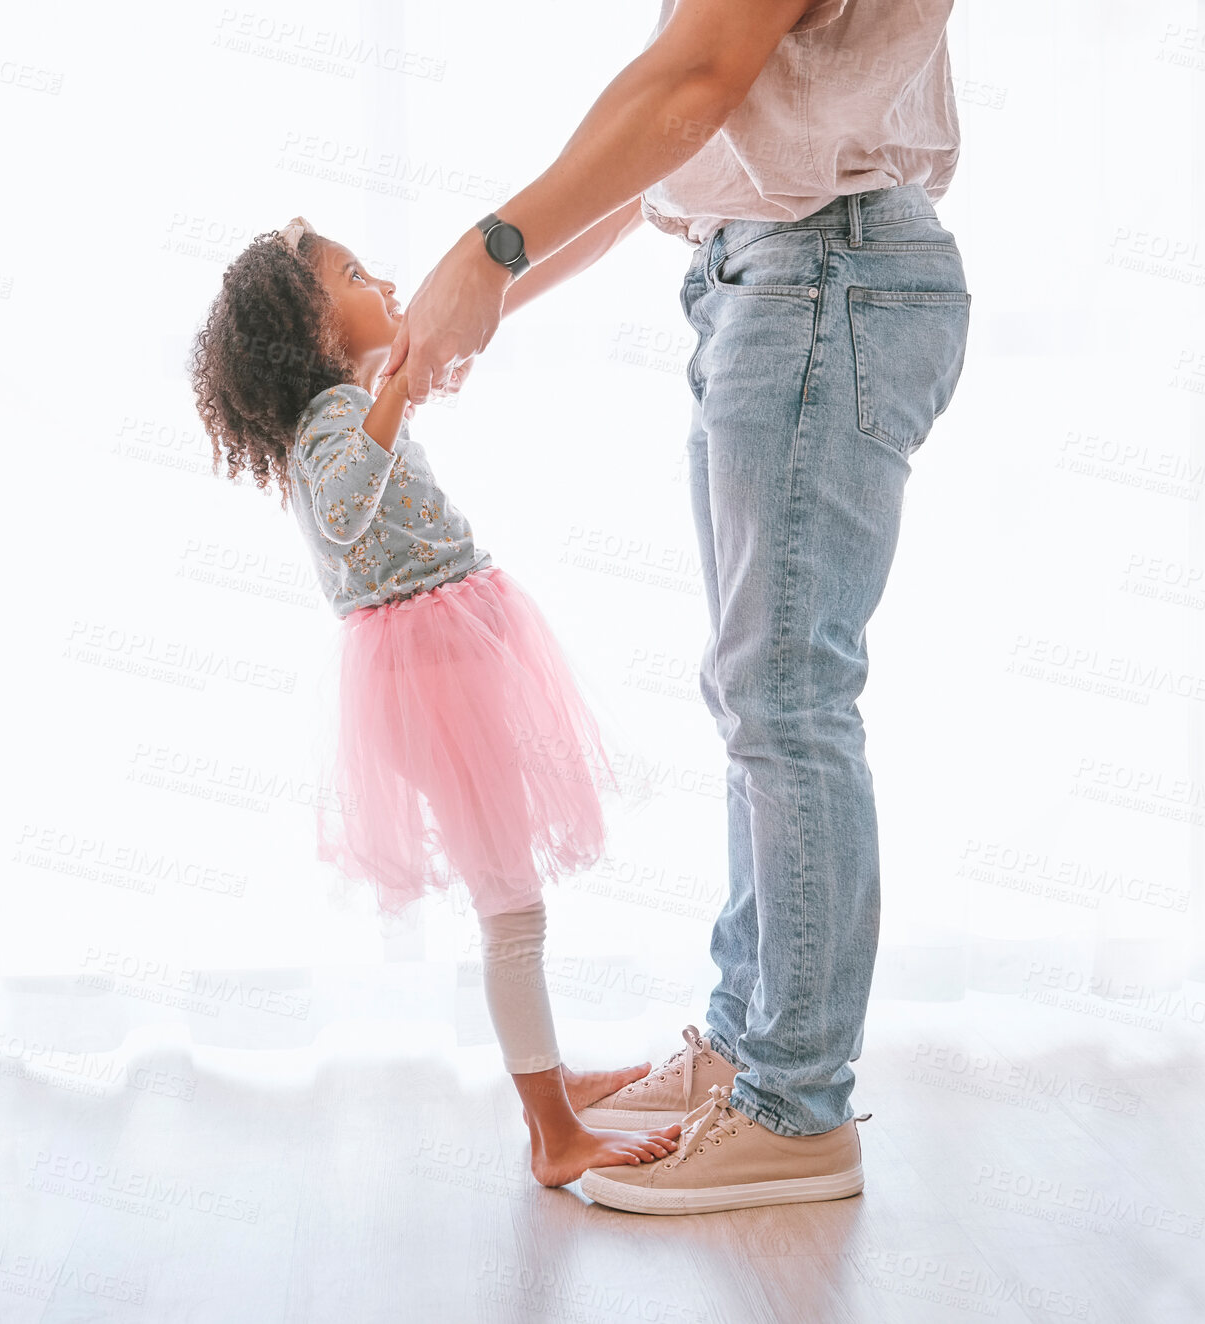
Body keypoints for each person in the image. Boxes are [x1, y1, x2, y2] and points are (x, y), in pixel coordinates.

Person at [382, 0, 970, 1215]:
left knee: (789, 699)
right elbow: (680, 139)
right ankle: (752, 1044)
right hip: (781, 268)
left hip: (825, 271)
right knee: (759, 697)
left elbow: (692, 81)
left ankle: (796, 1109)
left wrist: (486, 250)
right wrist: (467, 312)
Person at [187, 217, 684, 1188]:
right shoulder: (329, 423)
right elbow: (342, 507)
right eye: (353, 272)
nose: (381, 277)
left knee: (513, 900)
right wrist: (396, 394)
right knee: (511, 905)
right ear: (309, 327)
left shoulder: (344, 406)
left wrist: (401, 383)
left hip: (448, 653)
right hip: (431, 671)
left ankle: (557, 1089)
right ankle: (552, 1129)